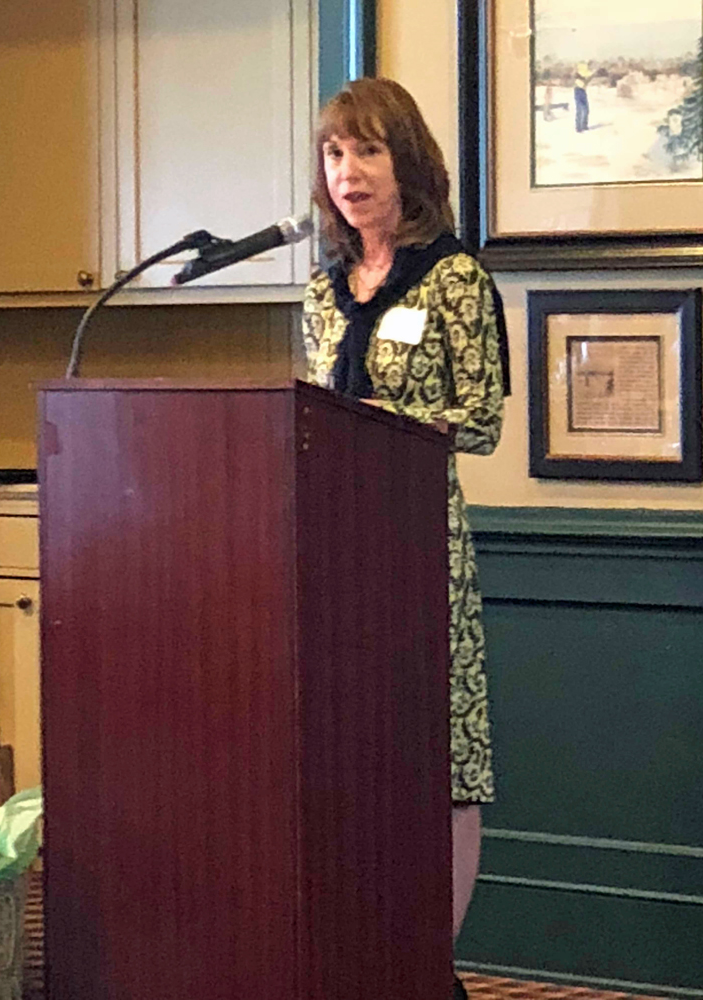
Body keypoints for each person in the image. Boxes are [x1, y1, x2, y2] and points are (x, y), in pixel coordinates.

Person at [301, 77, 508, 1000]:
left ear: (408, 163)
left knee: (442, 751)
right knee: (349, 750)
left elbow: (486, 416)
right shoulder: (318, 290)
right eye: (336, 154)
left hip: (422, 547)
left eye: (369, 151)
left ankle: (429, 966)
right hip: (329, 555)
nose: (350, 173)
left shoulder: (458, 278)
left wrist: (394, 414)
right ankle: (361, 949)